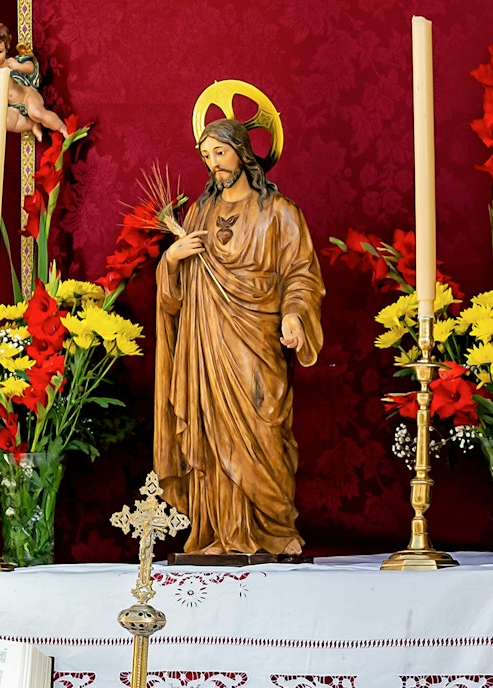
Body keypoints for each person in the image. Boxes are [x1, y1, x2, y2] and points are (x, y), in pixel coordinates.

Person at [153, 118, 325, 556]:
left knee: (263, 428)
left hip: (257, 344)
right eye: (206, 155)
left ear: (243, 152)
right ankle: (218, 534)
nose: (213, 164)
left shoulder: (280, 212)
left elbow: (301, 274)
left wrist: (294, 315)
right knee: (212, 435)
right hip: (206, 348)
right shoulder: (199, 213)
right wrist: (171, 261)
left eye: (220, 153)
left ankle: (272, 530)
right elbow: (176, 295)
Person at [0, 22, 68, 140]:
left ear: (6, 47)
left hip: (27, 96)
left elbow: (31, 67)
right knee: (3, 122)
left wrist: (18, 67)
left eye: (0, 51)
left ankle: (63, 128)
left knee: (37, 113)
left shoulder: (11, 62)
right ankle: (31, 124)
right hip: (13, 106)